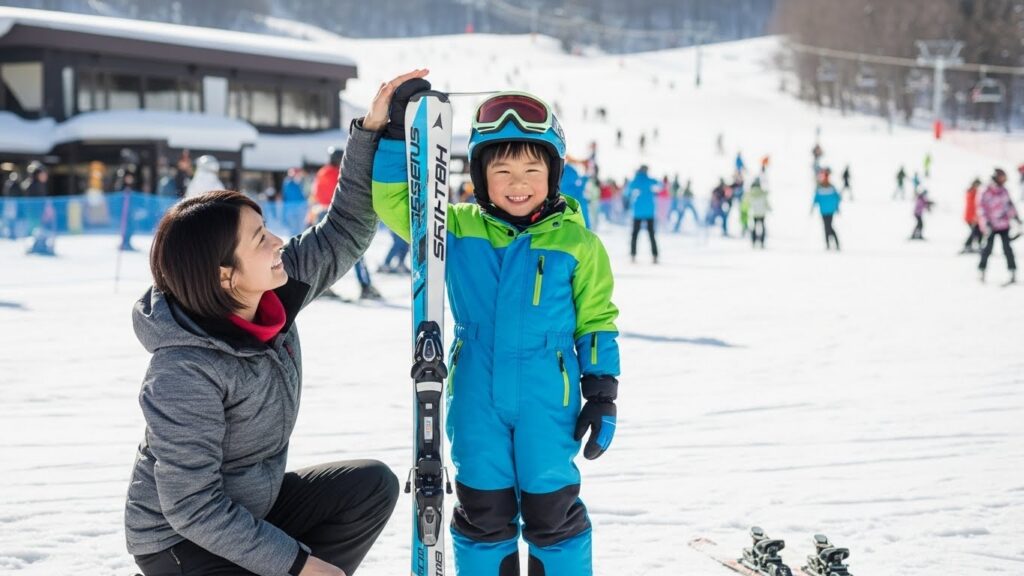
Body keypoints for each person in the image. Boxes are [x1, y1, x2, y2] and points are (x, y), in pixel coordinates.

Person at [122, 69, 427, 576]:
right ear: (225, 275)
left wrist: (371, 132)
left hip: (248, 508)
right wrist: (301, 565)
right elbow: (192, 506)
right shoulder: (183, 372)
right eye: (259, 238)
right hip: (178, 545)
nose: (279, 242)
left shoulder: (270, 293)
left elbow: (345, 230)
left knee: (369, 486)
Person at [372, 84, 620, 576]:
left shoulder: (579, 243)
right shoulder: (454, 227)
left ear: (554, 174)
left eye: (532, 169)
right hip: (475, 394)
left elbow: (596, 321)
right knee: (483, 512)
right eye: (501, 169)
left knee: (554, 514)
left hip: (550, 397)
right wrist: (399, 136)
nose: (517, 182)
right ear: (480, 175)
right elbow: (396, 203)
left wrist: (602, 391)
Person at [313, 146, 381, 300]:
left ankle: (321, 286)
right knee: (355, 250)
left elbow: (316, 193)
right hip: (340, 214)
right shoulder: (339, 172)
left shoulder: (322, 172)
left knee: (325, 252)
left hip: (322, 213)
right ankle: (365, 286)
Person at [977, 168, 1020, 284]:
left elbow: (1009, 206)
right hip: (991, 226)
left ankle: (1012, 271)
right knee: (987, 249)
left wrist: (1016, 217)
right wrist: (986, 222)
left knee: (1007, 249)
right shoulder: (985, 191)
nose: (1004, 180)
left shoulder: (1004, 191)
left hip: (1004, 225)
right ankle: (982, 270)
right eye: (1002, 177)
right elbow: (981, 208)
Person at [626, 164, 659, 263]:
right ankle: (655, 255)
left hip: (637, 212)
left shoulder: (635, 181)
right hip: (649, 211)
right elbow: (660, 185)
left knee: (635, 234)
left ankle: (633, 254)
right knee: (651, 234)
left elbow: (627, 192)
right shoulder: (650, 180)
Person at [812, 167, 841, 250]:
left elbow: (837, 198)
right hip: (823, 211)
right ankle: (828, 244)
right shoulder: (820, 188)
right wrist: (813, 207)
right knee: (826, 227)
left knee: (828, 226)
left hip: (830, 210)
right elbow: (816, 198)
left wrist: (837, 207)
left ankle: (835, 243)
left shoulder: (831, 187)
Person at [746, 178, 770, 248]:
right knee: (762, 228)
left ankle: (753, 242)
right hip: (762, 213)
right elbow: (766, 203)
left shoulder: (750, 193)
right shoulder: (763, 193)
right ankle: (762, 242)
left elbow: (747, 203)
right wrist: (769, 209)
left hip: (754, 213)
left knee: (753, 228)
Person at [962, 178, 984, 253]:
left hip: (974, 217)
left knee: (978, 232)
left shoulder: (974, 192)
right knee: (975, 232)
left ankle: (976, 245)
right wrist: (975, 217)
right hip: (971, 217)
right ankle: (967, 245)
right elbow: (974, 206)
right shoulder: (973, 193)